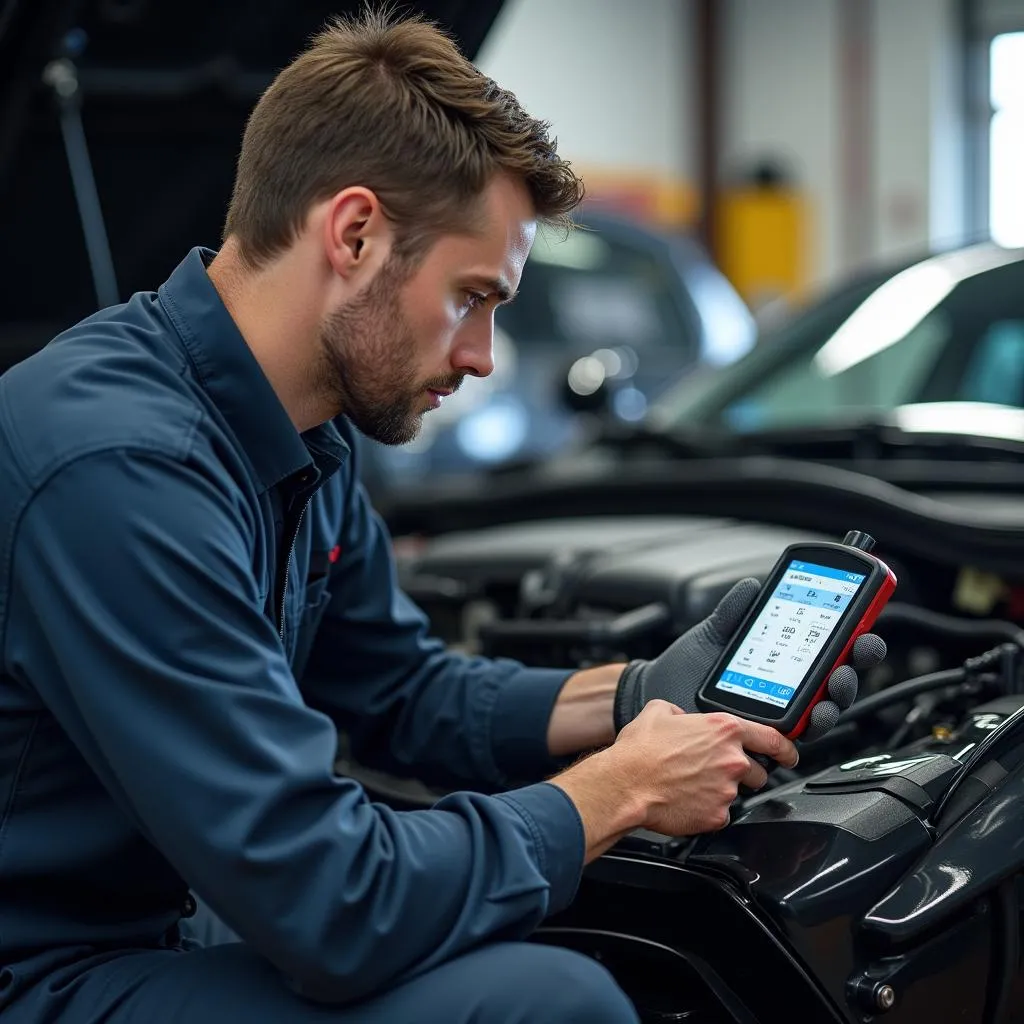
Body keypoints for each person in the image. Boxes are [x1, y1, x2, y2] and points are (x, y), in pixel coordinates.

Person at [0, 10, 880, 1023]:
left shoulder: (300, 427)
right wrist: (621, 790)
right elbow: (332, 902)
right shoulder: (121, 467)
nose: (481, 357)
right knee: (548, 1002)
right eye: (472, 298)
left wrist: (633, 694)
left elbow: (401, 689)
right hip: (43, 969)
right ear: (355, 233)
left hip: (172, 912)